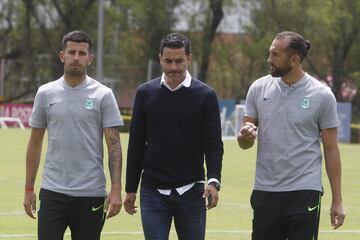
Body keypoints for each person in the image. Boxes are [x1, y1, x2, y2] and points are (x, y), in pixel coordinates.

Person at [237, 31, 345, 240]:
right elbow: (244, 141)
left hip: (305, 189)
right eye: (270, 53)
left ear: (294, 60)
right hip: (265, 189)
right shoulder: (258, 89)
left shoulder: (322, 95)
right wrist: (245, 137)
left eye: (275, 55)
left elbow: (331, 150)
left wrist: (337, 200)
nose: (269, 60)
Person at [23, 30, 124, 240]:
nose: (76, 57)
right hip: (52, 192)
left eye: (81, 53)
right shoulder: (45, 93)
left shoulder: (103, 94)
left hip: (91, 194)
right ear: (62, 56)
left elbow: (113, 145)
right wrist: (29, 188)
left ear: (90, 58)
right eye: (71, 52)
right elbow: (34, 143)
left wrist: (116, 189)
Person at [124, 32, 223, 240]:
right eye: (168, 61)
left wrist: (213, 181)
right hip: (152, 192)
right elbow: (136, 144)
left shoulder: (206, 95)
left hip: (192, 192)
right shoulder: (145, 93)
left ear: (189, 58)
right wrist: (131, 188)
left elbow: (213, 144)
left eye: (179, 61)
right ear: (160, 58)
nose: (173, 67)